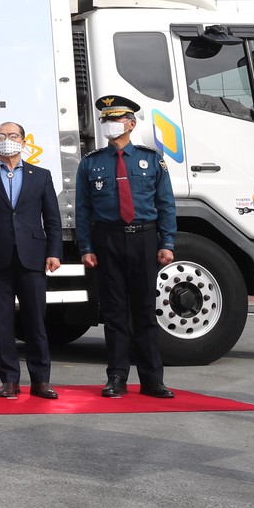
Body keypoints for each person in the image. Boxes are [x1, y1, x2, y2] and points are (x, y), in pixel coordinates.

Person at [75, 95, 176, 399]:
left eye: (116, 119)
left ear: (131, 123)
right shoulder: (91, 163)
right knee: (115, 312)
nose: (109, 124)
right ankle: (117, 377)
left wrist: (167, 241)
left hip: (144, 238)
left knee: (145, 310)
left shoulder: (152, 159)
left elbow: (165, 203)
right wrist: (86, 247)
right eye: (105, 119)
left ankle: (152, 380)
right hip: (107, 240)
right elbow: (83, 209)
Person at [0, 121, 62, 400]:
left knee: (36, 322)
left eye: (13, 135)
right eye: (1, 136)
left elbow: (52, 219)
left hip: (33, 257)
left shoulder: (40, 175)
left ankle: (41, 381)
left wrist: (54, 252)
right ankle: (9, 380)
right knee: (3, 323)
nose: (7, 140)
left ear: (23, 141)